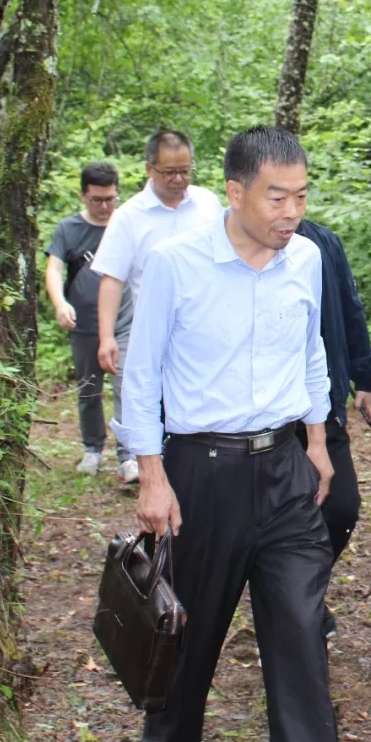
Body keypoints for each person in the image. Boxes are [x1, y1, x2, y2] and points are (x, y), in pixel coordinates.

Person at [117, 126, 338, 742]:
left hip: (285, 468)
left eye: (301, 196)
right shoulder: (177, 262)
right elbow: (141, 373)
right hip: (201, 471)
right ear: (235, 192)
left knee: (301, 628)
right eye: (277, 198)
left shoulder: (306, 258)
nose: (291, 212)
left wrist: (318, 441)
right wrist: (151, 476)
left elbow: (312, 350)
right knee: (192, 626)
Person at [91, 129, 223, 481]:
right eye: (169, 172)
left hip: (210, 329)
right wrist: (107, 337)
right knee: (156, 406)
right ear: (150, 169)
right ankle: (154, 472)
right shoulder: (130, 216)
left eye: (185, 170)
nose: (178, 179)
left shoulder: (209, 205)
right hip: (154, 333)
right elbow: (112, 279)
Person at [295, 217, 371, 638]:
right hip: (260, 416)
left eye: (299, 195)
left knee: (341, 506)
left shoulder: (323, 243)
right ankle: (294, 604)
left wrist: (365, 377)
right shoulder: (231, 245)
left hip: (323, 399)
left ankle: (299, 591)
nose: (290, 208)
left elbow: (349, 309)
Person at [45, 162, 135, 478]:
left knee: (127, 387)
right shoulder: (69, 229)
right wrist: (60, 303)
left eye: (110, 199)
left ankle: (129, 455)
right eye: (97, 199)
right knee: (89, 389)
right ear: (83, 195)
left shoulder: (128, 224)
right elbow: (54, 269)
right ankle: (92, 449)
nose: (104, 206)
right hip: (84, 325)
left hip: (126, 323)